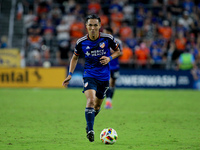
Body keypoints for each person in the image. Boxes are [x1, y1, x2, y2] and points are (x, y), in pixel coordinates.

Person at [62, 14, 121, 142]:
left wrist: (109, 58)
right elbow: (75, 57)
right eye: (90, 25)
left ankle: (89, 123)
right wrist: (70, 74)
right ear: (86, 26)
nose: (93, 28)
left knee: (97, 107)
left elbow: (118, 51)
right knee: (90, 101)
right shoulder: (81, 42)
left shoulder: (108, 38)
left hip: (104, 77)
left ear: (99, 26)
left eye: (95, 25)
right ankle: (90, 130)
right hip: (89, 75)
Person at [103, 27, 122, 109]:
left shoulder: (117, 41)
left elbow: (121, 53)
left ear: (109, 33)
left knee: (113, 83)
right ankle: (108, 101)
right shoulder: (102, 41)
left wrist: (114, 52)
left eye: (105, 32)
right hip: (106, 65)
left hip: (115, 66)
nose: (103, 34)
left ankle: (109, 100)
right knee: (108, 82)